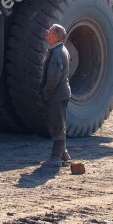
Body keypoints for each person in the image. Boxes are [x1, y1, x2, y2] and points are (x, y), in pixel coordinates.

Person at [39, 23, 72, 167]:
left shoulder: (58, 52)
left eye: (50, 31)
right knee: (56, 122)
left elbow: (53, 77)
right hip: (58, 93)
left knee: (57, 124)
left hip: (56, 94)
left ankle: (56, 157)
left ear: (56, 36)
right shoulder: (56, 50)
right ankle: (63, 153)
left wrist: (46, 93)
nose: (47, 32)